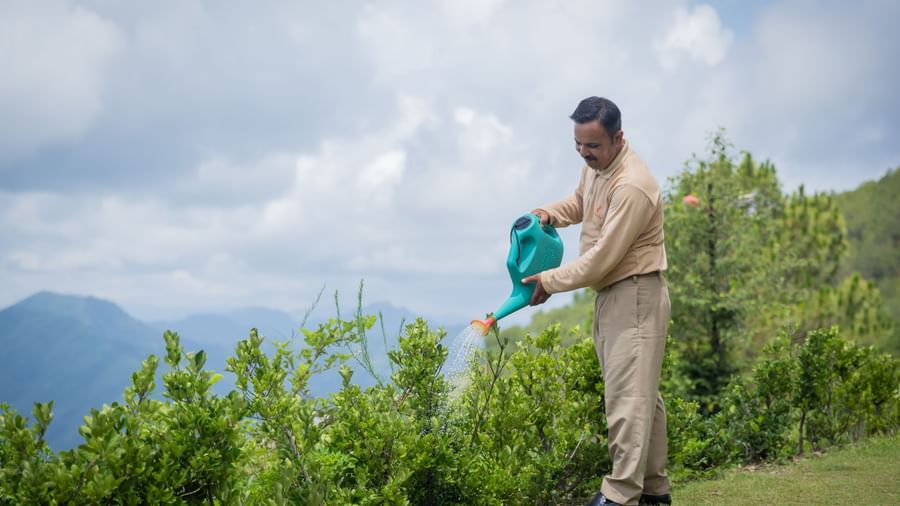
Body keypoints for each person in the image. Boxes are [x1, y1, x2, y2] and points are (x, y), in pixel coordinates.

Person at [522, 97, 672, 506]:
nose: (585, 155)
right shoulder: (599, 168)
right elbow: (580, 202)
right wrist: (548, 213)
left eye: (593, 146)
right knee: (642, 395)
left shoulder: (633, 186)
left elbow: (602, 259)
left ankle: (620, 495)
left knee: (627, 399)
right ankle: (656, 493)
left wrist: (548, 281)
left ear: (618, 138)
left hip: (636, 292)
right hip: (613, 295)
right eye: (579, 146)